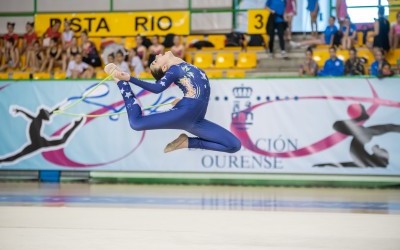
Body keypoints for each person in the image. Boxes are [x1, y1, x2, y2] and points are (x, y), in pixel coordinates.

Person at [104, 51, 241, 153]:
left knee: (234, 145)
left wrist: (182, 101)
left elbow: (192, 88)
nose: (157, 56)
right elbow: (158, 88)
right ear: (165, 68)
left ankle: (187, 142)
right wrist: (129, 78)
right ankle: (122, 84)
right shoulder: (174, 70)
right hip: (186, 113)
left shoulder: (185, 66)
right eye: (155, 61)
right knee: (136, 123)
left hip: (195, 119)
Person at [0, 106, 83, 164]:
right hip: (38, 143)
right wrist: (20, 111)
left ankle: (75, 124)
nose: (47, 116)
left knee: (62, 140)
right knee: (18, 155)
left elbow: (48, 114)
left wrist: (56, 110)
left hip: (39, 142)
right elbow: (46, 114)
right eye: (46, 115)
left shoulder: (37, 119)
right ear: (42, 115)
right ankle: (1, 160)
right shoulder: (36, 119)